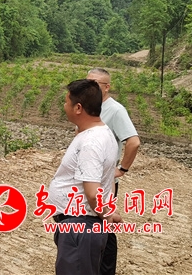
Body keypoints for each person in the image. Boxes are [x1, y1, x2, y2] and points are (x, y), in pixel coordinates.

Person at [48, 79, 120, 275]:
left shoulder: (91, 142)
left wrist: (106, 216)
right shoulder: (103, 133)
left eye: (66, 102)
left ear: (78, 108)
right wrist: (109, 211)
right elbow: (108, 179)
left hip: (80, 228)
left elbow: (93, 193)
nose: (64, 106)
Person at [87, 68, 141, 275]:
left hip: (104, 183)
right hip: (88, 179)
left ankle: (106, 270)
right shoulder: (90, 107)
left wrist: (121, 169)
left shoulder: (115, 110)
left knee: (104, 226)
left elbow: (133, 142)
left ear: (107, 87)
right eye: (87, 82)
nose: (89, 87)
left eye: (95, 84)